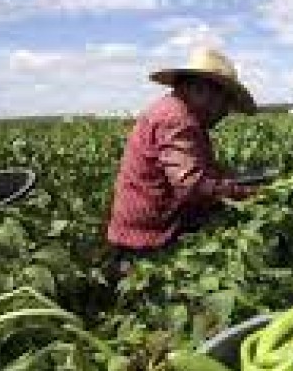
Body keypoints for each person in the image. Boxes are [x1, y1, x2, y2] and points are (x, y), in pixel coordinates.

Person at [107, 46, 258, 257]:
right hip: (149, 238)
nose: (225, 112)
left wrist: (230, 178)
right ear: (202, 90)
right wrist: (247, 194)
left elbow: (193, 170)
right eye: (225, 102)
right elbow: (192, 186)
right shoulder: (177, 119)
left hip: (145, 229)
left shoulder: (178, 112)